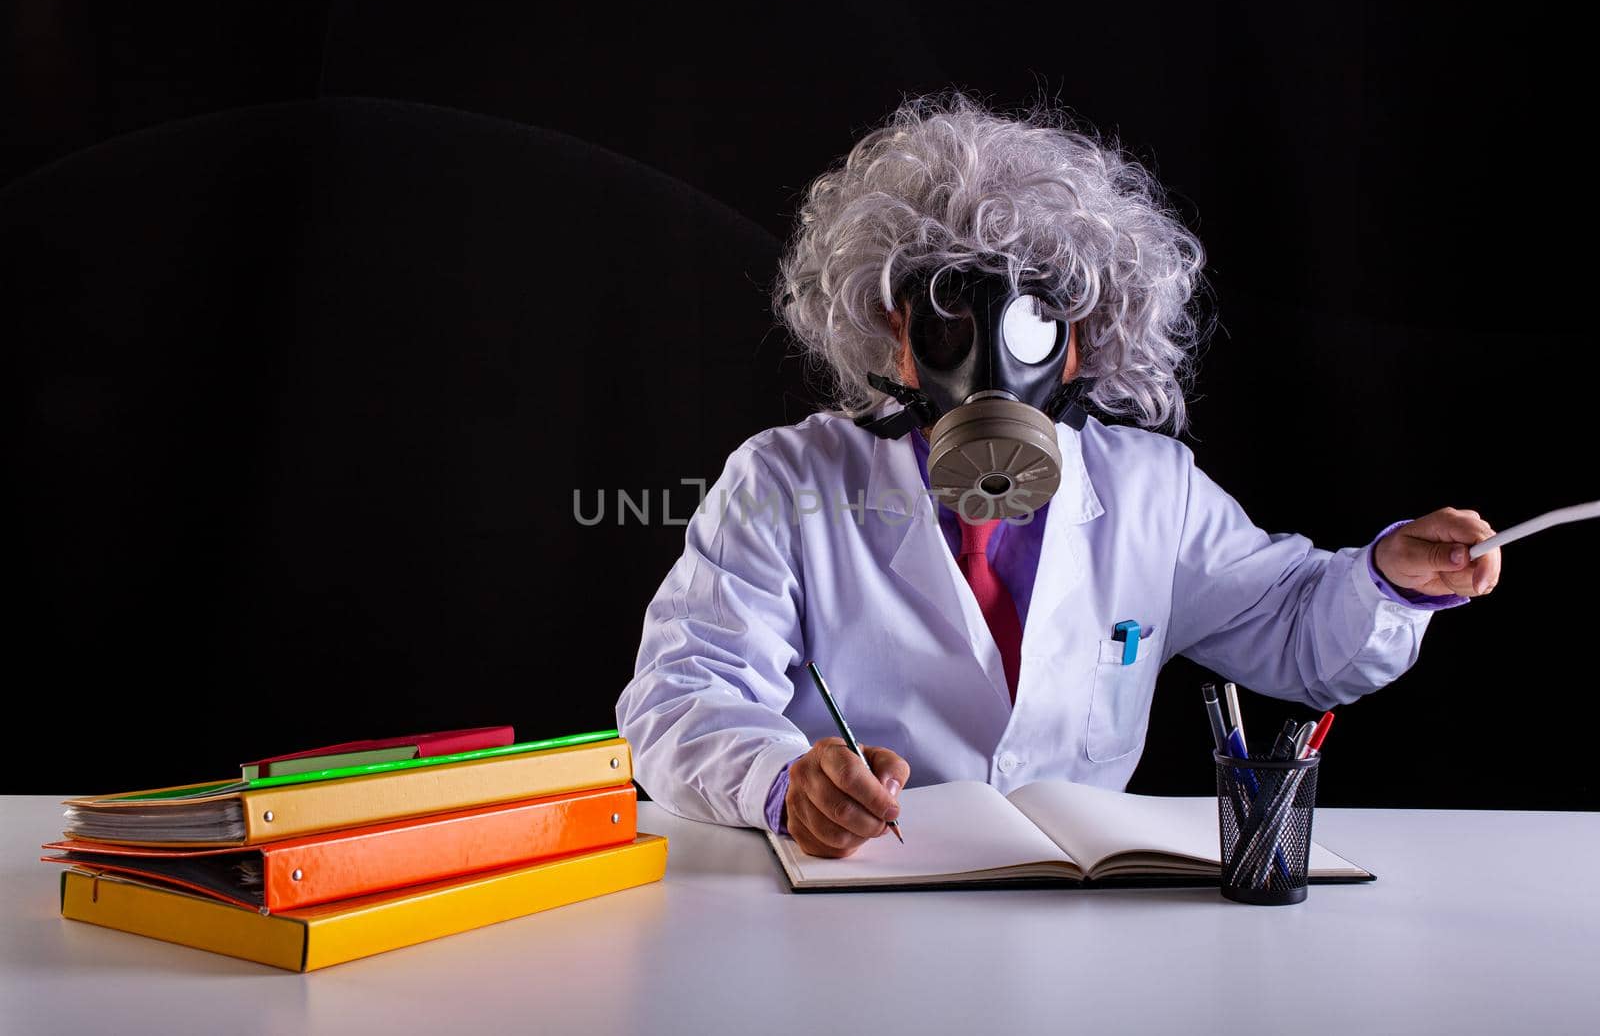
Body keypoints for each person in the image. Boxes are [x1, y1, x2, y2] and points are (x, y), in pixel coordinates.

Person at [614, 92, 1501, 859]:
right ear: (896, 336)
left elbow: (1302, 631)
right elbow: (679, 696)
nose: (992, 363)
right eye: (950, 319)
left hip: (1076, 924)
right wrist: (784, 781)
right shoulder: (786, 480)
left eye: (1034, 319)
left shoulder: (1156, 492)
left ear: (1085, 336)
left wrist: (1391, 581)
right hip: (852, 902)